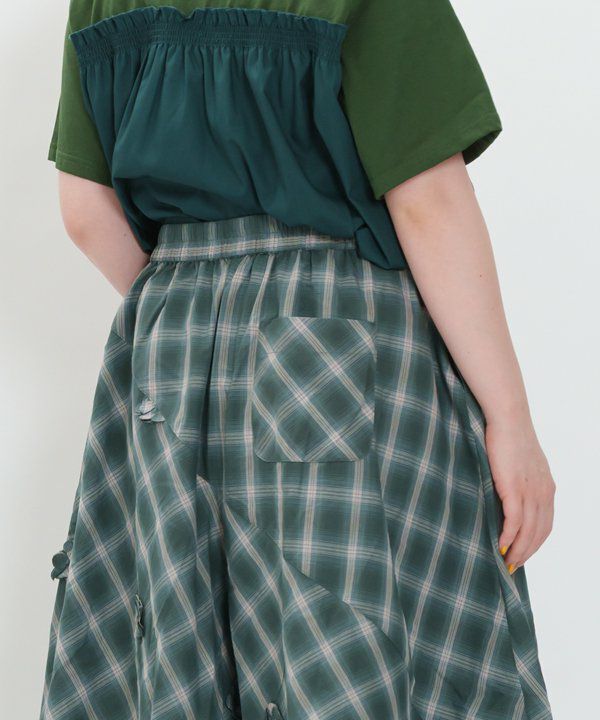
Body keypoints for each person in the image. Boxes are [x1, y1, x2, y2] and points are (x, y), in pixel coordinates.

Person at [41, 2, 556, 719]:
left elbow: (83, 211)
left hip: (168, 341)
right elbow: (428, 201)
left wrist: (190, 309)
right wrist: (511, 418)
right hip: (336, 339)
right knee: (343, 644)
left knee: (179, 636)